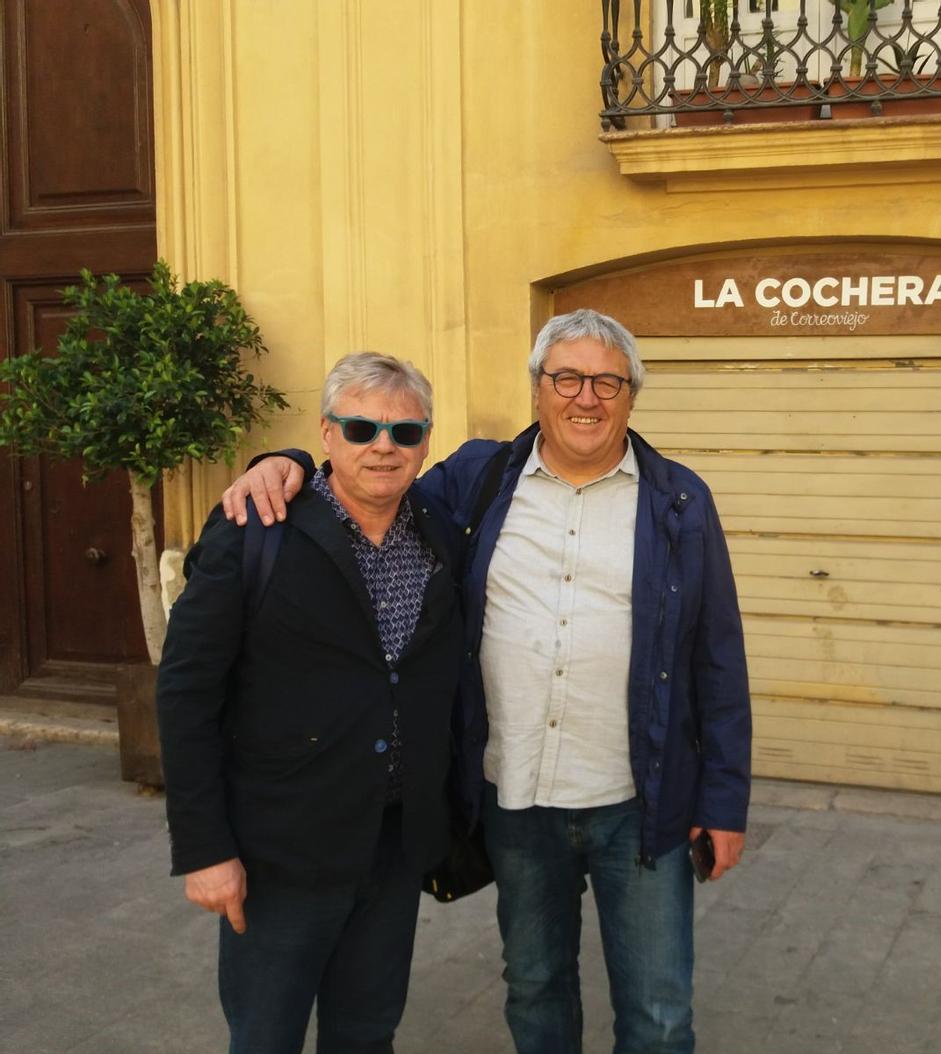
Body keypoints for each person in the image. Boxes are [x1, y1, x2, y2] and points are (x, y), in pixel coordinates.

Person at [223, 310, 753, 1054]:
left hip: (642, 801)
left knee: (661, 1011)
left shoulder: (679, 503)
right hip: (517, 799)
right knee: (535, 985)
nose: (586, 398)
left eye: (608, 381)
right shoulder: (478, 479)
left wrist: (723, 801)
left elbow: (718, 660)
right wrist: (282, 460)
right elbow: (372, 472)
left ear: (632, 395)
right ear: (538, 389)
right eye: (566, 378)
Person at [157, 353, 462, 1054]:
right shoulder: (254, 527)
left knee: (367, 1033)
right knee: (265, 1037)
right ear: (326, 435)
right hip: (280, 855)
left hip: (391, 845)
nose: (383, 445)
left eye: (404, 431)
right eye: (360, 427)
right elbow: (185, 691)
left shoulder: (438, 530)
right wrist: (205, 850)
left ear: (426, 439)